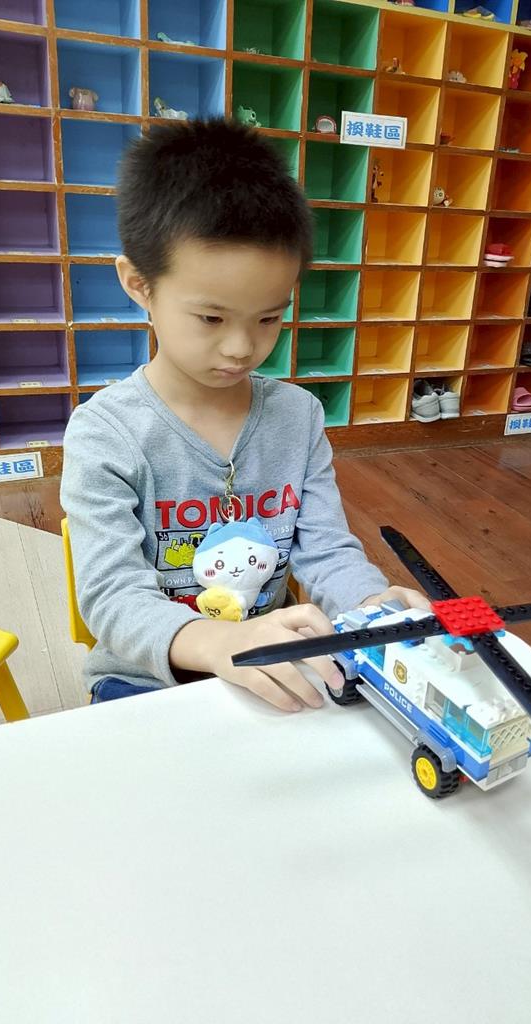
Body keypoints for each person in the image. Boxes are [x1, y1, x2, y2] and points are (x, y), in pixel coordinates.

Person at [61, 118, 429, 711]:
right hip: (148, 680)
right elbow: (112, 595)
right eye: (211, 318)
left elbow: (325, 549)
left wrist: (370, 606)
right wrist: (218, 644)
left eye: (268, 318)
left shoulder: (298, 417)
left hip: (280, 663)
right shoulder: (107, 433)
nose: (242, 347)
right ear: (139, 284)